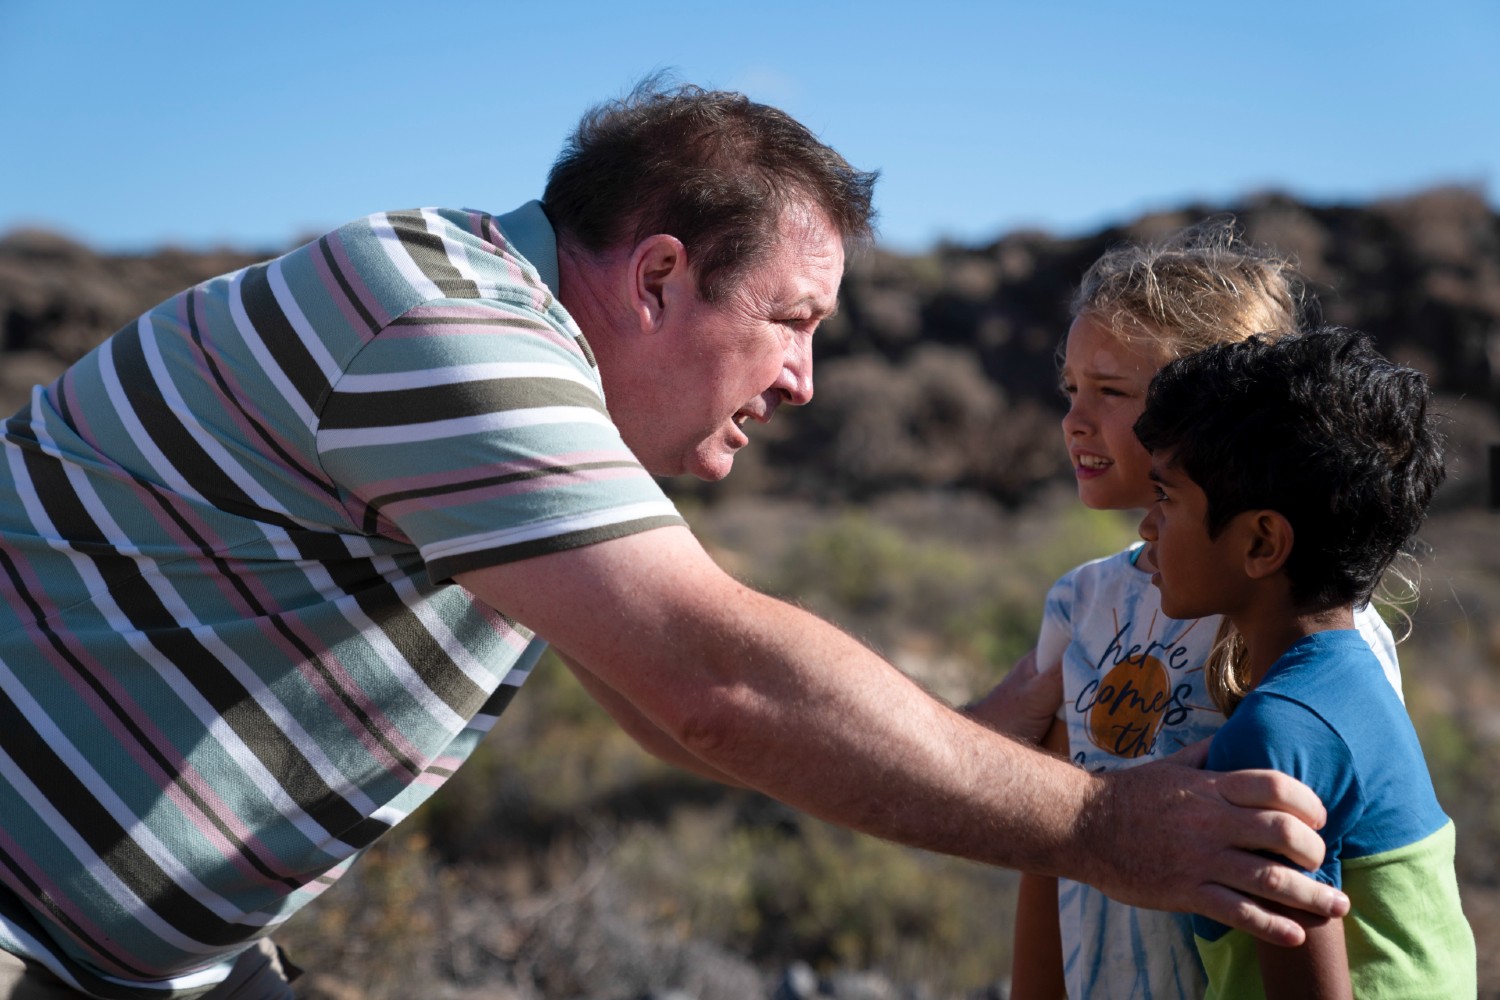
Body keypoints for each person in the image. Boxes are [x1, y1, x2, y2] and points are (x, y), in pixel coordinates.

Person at [0, 81, 1348, 999]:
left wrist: (989, 782)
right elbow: (718, 689)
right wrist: (1105, 826)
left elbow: (663, 707)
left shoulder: (489, 361)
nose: (805, 380)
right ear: (656, 276)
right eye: (792, 320)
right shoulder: (437, 329)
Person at [1005, 227, 1405, 1000]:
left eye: (1111, 391)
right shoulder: (1081, 602)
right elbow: (1044, 831)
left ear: (1210, 409)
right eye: (1070, 389)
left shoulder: (1314, 619)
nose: (1074, 420)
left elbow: (1329, 874)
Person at [1134, 327, 1475, 997]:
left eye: (1166, 498)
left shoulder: (1278, 733)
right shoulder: (1350, 682)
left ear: (1262, 541)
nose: (1148, 525)